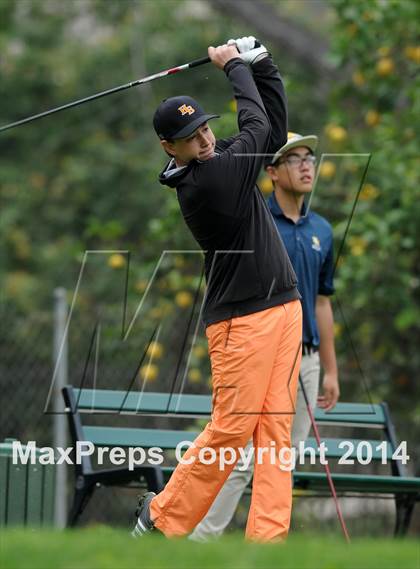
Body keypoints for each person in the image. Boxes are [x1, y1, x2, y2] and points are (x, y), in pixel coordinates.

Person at [132, 37, 303, 543]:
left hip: (283, 308)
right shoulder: (206, 184)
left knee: (275, 435)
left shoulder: (217, 160)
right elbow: (254, 127)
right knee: (232, 430)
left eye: (205, 127)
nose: (205, 139)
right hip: (240, 323)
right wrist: (235, 68)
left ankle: (267, 543)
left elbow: (269, 130)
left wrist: (262, 65)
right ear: (170, 147)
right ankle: (160, 518)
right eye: (191, 135)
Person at [189, 132, 339, 542]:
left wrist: (329, 369)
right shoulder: (253, 218)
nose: (306, 165)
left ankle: (265, 546)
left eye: (309, 157)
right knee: (239, 457)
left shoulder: (322, 230)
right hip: (261, 353)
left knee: (280, 458)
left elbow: (323, 303)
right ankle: (201, 542)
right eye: (294, 159)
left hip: (305, 360)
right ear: (271, 172)